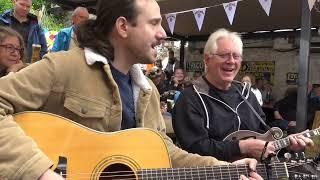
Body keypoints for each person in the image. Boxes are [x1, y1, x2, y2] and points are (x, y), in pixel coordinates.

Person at [0, 1, 262, 179]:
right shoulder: (64, 67)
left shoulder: (148, 90)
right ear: (123, 26)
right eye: (154, 23)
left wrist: (225, 168)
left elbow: (165, 153)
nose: (163, 33)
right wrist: (42, 172)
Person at [173, 28, 313, 162]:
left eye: (236, 56)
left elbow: (263, 134)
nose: (231, 61)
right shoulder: (191, 98)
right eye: (224, 55)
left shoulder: (246, 94)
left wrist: (287, 143)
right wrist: (242, 147)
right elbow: (194, 147)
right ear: (207, 59)